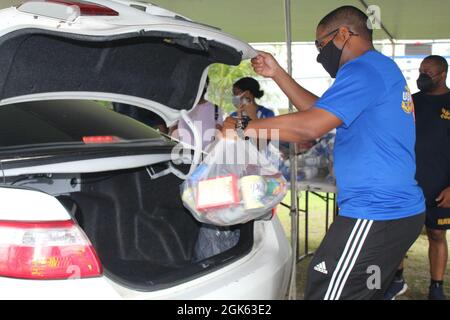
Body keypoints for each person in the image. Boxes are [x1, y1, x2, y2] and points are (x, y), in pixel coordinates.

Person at [223, 6, 425, 300]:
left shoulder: (362, 69)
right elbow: (320, 110)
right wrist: (277, 73)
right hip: (391, 210)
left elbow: (310, 127)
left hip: (377, 211)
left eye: (321, 45)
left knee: (326, 286)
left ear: (344, 34)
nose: (320, 55)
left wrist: (245, 126)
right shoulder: (378, 68)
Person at [385, 56, 450, 300]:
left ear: (442, 74)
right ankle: (397, 279)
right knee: (399, 231)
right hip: (407, 182)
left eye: (428, 72)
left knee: (436, 235)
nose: (422, 76)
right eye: (421, 70)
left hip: (440, 183)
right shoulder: (411, 102)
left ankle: (436, 287)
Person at [171, 77, 223, 150]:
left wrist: (209, 154)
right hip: (182, 154)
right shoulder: (180, 107)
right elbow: (173, 129)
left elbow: (218, 134)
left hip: (205, 156)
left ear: (205, 86)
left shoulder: (216, 109)